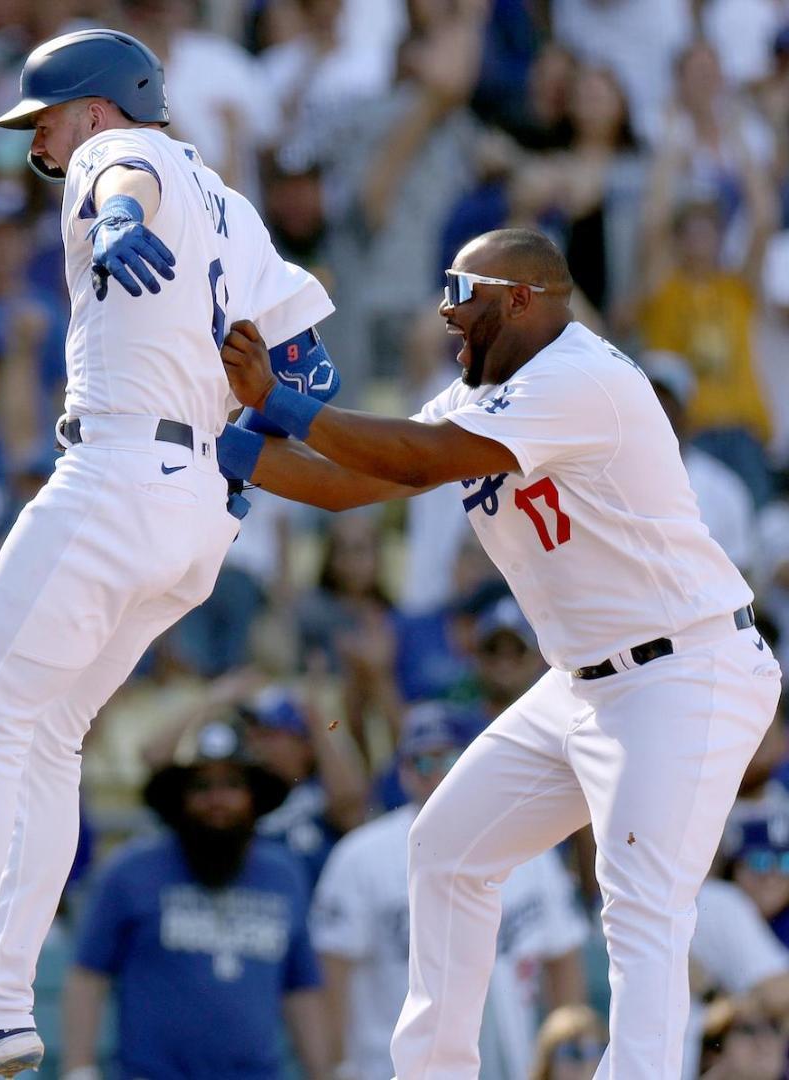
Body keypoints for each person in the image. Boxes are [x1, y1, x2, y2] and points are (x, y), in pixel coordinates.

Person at [0, 27, 341, 1076]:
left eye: (45, 116)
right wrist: (242, 441)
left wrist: (120, 208)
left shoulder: (115, 150)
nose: (39, 138)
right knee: (46, 739)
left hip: (116, 474)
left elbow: (115, 171)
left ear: (94, 103)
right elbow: (316, 378)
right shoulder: (237, 208)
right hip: (199, 512)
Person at [215, 226, 782, 1079]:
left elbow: (422, 456)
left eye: (464, 292)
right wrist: (221, 445)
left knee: (641, 908)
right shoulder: (484, 394)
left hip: (685, 670)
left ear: (522, 300)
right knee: (447, 848)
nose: (447, 310)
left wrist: (283, 402)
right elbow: (356, 481)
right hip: (586, 680)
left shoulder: (578, 377)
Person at [313, 703, 589, 1080]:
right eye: (421, 763)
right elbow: (333, 970)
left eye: (449, 758)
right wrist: (335, 1067)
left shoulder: (532, 848)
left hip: (514, 1061)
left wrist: (568, 1054)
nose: (437, 774)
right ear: (404, 772)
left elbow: (563, 954)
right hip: (390, 1068)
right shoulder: (361, 855)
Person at [58, 722, 331, 1080]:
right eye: (202, 787)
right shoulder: (129, 871)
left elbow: (302, 989)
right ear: (179, 798)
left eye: (232, 785)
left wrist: (324, 1074)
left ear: (253, 796)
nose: (217, 800)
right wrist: (79, 1071)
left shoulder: (285, 874)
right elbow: (87, 976)